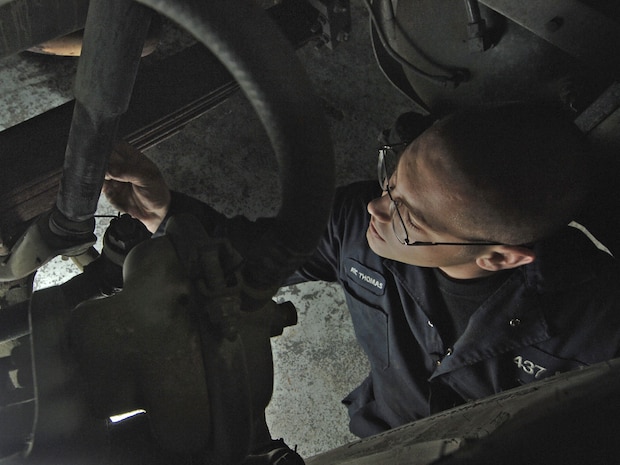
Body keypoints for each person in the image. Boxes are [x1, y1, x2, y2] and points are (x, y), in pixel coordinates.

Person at [103, 103, 620, 440]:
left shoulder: (597, 325)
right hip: (386, 435)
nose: (378, 207)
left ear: (500, 257)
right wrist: (161, 211)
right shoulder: (357, 222)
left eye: (409, 218)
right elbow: (257, 258)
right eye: (392, 179)